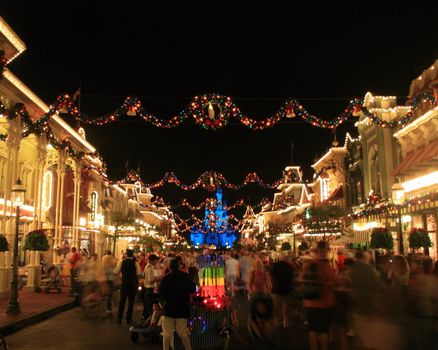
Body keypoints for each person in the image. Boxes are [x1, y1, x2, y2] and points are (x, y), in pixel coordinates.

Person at [301, 241, 339, 350]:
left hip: (309, 302)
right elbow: (336, 282)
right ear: (326, 251)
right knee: (323, 331)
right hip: (324, 303)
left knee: (312, 330)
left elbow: (303, 280)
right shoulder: (326, 266)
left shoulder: (308, 265)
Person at [159, 258, 196, 350]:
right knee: (183, 333)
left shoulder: (166, 278)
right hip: (182, 308)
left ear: (170, 268)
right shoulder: (185, 276)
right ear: (179, 267)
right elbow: (192, 289)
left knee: (167, 334)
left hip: (169, 308)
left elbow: (161, 293)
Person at [113, 249, 142, 324]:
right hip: (132, 284)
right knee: (131, 302)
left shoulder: (122, 262)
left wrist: (120, 277)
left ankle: (119, 317)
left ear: (126, 254)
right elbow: (138, 274)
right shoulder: (136, 263)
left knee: (122, 301)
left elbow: (115, 272)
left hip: (124, 284)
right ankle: (128, 318)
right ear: (132, 255)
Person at [142, 254, 161, 319]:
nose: (157, 261)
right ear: (152, 260)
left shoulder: (148, 266)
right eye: (156, 260)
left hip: (148, 290)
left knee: (148, 307)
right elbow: (150, 280)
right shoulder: (150, 268)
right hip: (150, 290)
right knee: (150, 308)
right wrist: (159, 278)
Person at [102, 250, 116, 314]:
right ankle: (109, 307)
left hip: (104, 274)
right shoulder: (111, 258)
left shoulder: (103, 257)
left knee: (106, 288)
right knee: (110, 290)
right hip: (110, 274)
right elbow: (113, 265)